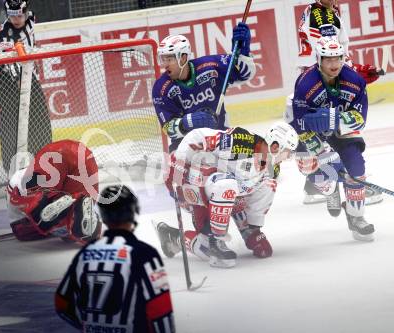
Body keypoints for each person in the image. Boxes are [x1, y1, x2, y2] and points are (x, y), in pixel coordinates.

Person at [157, 122, 299, 268]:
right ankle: (189, 238)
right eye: (288, 151)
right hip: (196, 186)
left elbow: (254, 189)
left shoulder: (272, 167)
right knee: (205, 249)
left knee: (268, 185)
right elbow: (199, 136)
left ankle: (249, 230)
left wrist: (251, 222)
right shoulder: (241, 142)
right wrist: (179, 164)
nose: (289, 157)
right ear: (276, 146)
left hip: (228, 193)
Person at [287, 0, 382, 205]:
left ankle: (315, 185)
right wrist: (353, 70)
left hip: (315, 79)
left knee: (318, 132)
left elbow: (332, 56)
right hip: (319, 82)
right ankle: (350, 180)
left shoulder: (319, 10)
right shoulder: (324, 16)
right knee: (332, 130)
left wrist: (353, 69)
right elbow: (330, 54)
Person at [55, 185, 175, 332]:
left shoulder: (85, 254)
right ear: (133, 212)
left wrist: (87, 327)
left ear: (103, 216)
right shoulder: (145, 255)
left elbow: (62, 303)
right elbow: (161, 312)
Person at [289, 36, 375, 241]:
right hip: (309, 134)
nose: (334, 64)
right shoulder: (305, 83)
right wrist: (323, 152)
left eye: (337, 58)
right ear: (319, 59)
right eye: (328, 59)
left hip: (339, 130)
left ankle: (356, 217)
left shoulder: (355, 80)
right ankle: (330, 188)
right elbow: (299, 123)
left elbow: (360, 119)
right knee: (319, 172)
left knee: (356, 165)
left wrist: (332, 118)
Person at [152, 22, 256, 152]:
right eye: (163, 59)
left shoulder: (211, 66)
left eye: (169, 59)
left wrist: (242, 53)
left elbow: (245, 74)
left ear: (183, 58)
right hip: (186, 147)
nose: (165, 65)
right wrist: (189, 122)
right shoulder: (161, 88)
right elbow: (168, 129)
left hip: (222, 140)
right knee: (183, 169)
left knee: (256, 154)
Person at [0, 0, 52, 174]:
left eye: (19, 15)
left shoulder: (31, 18)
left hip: (23, 67)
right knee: (12, 115)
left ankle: (42, 157)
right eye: (12, 16)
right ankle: (12, 168)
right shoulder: (6, 35)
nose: (16, 19)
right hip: (2, 74)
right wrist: (21, 84)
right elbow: (11, 65)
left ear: (26, 11)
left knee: (38, 110)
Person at [7, 139, 101, 244]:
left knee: (23, 232)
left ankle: (65, 221)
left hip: (32, 188)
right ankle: (72, 221)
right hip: (79, 154)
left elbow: (16, 198)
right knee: (70, 226)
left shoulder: (21, 177)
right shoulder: (32, 171)